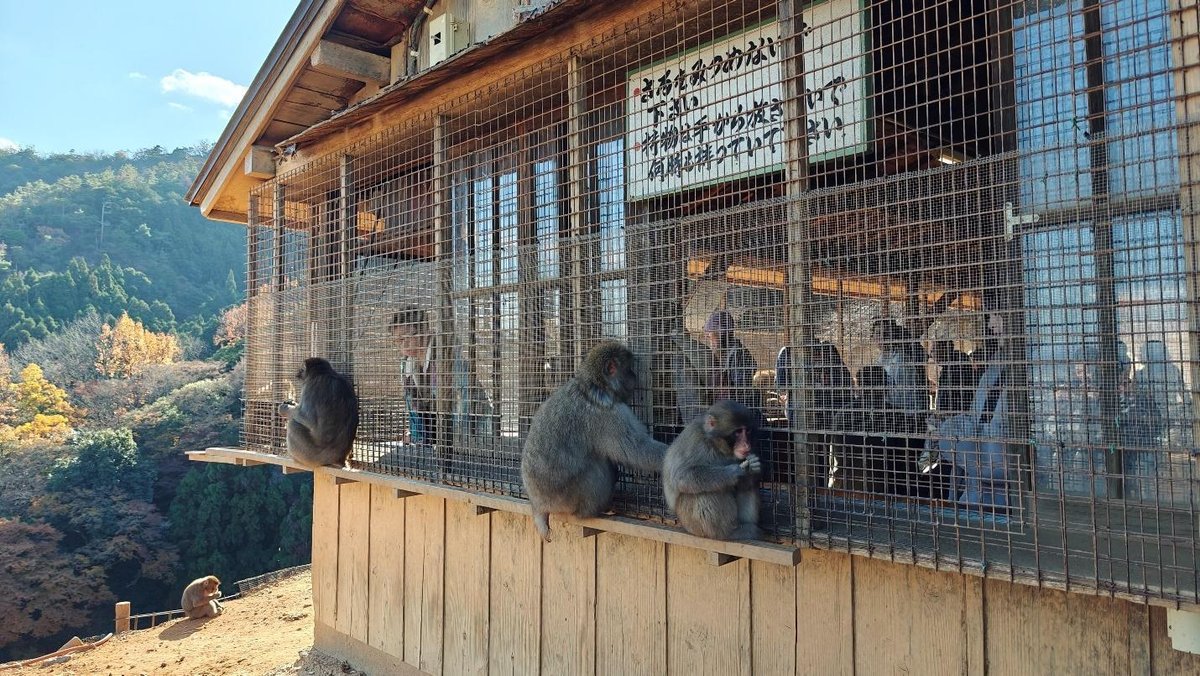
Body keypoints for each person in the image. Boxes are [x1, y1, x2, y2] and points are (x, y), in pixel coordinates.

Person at [389, 307, 495, 447]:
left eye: (406, 337)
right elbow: (413, 406)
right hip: (438, 437)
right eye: (398, 341)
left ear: (425, 331)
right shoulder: (407, 364)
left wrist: (455, 440)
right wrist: (416, 437)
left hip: (474, 433)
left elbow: (464, 400)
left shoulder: (446, 356)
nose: (403, 344)